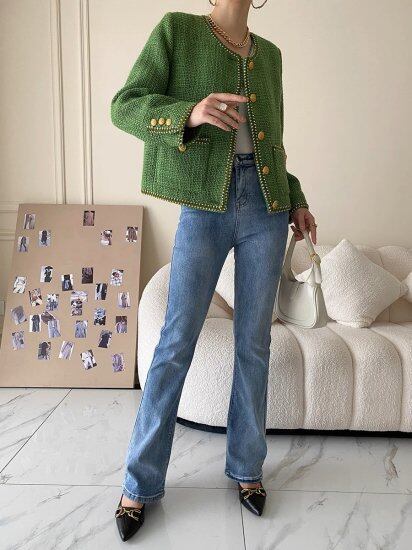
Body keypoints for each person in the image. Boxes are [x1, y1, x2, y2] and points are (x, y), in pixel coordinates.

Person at [111, 2, 318, 542]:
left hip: (266, 209)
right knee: (176, 340)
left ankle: (247, 467)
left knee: (254, 342)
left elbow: (274, 143)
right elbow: (124, 105)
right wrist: (191, 112)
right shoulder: (177, 31)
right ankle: (139, 482)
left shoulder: (269, 55)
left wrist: (295, 198)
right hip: (204, 205)